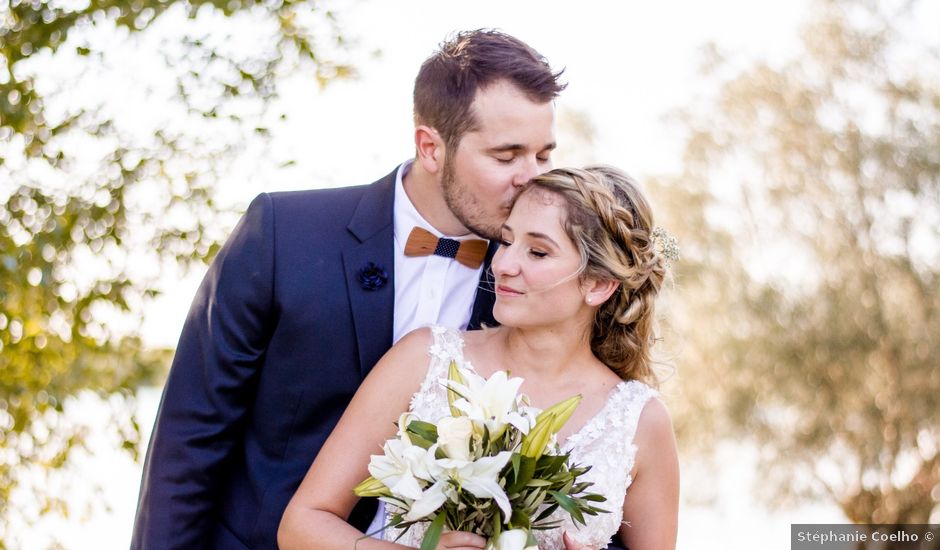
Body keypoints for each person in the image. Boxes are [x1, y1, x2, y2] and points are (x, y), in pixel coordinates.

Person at [131, 29, 563, 550]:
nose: (532, 178)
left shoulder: (543, 279)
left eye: (543, 156)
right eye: (506, 155)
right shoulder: (282, 234)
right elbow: (190, 439)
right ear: (430, 147)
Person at [278, 166, 680, 550]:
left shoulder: (640, 421)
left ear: (598, 284)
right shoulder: (424, 360)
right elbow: (302, 525)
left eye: (537, 252)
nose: (502, 265)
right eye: (506, 241)